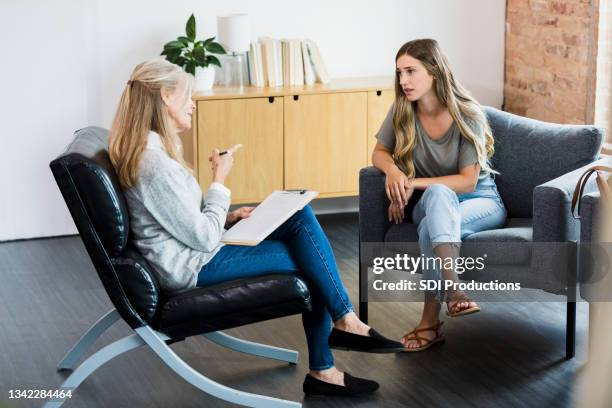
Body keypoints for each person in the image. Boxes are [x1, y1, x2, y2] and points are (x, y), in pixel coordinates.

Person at [108, 58, 404, 397]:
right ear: (164, 96)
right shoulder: (154, 162)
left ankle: (342, 329)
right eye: (187, 96)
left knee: (299, 216)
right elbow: (202, 236)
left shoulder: (149, 150)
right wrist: (220, 180)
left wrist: (229, 217)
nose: (193, 104)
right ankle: (333, 352)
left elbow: (181, 222)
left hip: (192, 253)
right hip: (193, 265)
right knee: (313, 263)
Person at [371, 39, 507, 352]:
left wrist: (410, 182)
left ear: (433, 72)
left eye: (411, 71)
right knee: (437, 197)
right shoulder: (403, 110)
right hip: (435, 203)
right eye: (399, 73)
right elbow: (379, 152)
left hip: (480, 203)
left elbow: (468, 181)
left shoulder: (466, 114)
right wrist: (393, 172)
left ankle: (429, 322)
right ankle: (455, 291)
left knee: (431, 220)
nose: (403, 81)